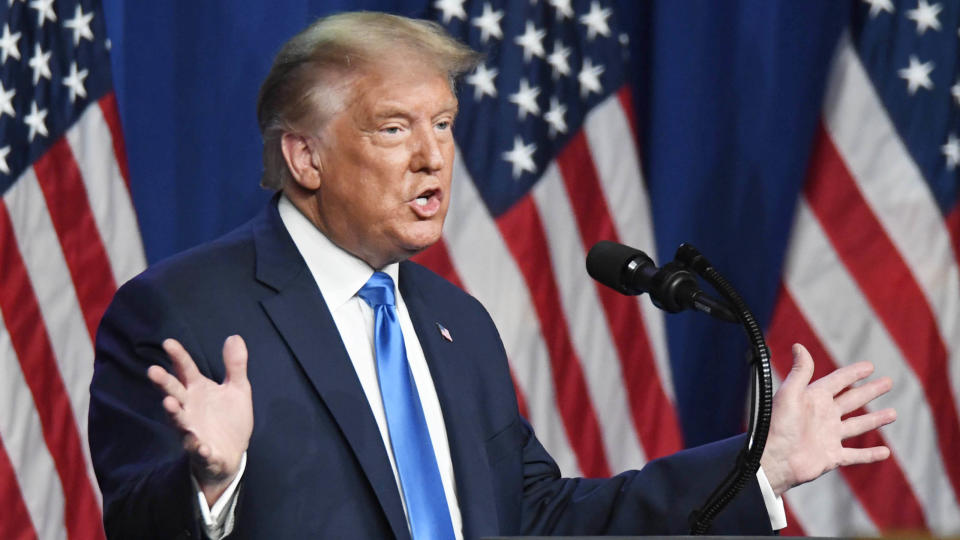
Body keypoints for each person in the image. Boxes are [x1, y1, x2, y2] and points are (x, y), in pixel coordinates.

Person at [88, 11, 896, 540]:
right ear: (305, 156)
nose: (434, 155)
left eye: (443, 123)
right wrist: (212, 484)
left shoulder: (456, 325)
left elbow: (538, 519)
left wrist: (759, 465)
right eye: (394, 127)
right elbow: (135, 523)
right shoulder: (184, 310)